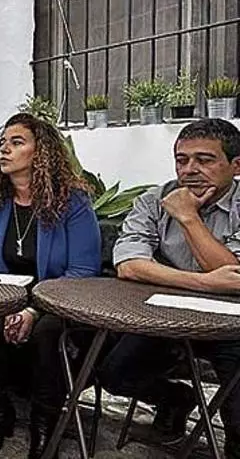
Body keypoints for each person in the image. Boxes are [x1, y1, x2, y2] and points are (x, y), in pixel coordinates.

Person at [0, 113, 101, 458]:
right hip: (5, 296)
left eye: (16, 142)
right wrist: (11, 305)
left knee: (48, 330)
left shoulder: (73, 202)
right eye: (3, 143)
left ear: (41, 152)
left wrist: (33, 309)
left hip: (60, 301)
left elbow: (83, 270)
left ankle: (45, 422)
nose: (4, 149)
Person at [102, 118, 240, 458]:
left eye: (204, 160)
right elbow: (129, 265)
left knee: (238, 409)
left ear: (236, 166)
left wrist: (188, 217)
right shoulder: (155, 199)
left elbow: (235, 277)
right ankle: (175, 398)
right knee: (114, 374)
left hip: (232, 325)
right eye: (182, 160)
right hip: (163, 315)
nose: (190, 170)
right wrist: (205, 283)